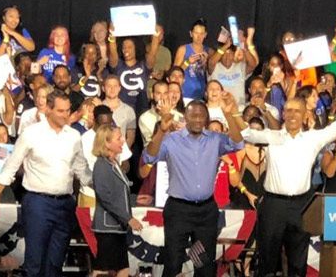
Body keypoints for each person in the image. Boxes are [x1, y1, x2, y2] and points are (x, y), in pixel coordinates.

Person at [236, 82, 336, 277]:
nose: (291, 114)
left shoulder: (312, 139)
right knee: (267, 262)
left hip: (301, 206)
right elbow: (245, 133)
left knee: (298, 263)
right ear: (282, 114)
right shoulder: (271, 137)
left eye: (296, 111)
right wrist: (231, 112)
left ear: (304, 115)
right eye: (288, 110)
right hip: (273, 205)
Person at [0, 91, 92, 277]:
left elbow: (81, 170)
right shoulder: (31, 133)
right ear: (48, 110)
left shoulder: (74, 136)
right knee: (34, 262)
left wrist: (101, 187)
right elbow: (11, 165)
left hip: (65, 204)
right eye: (61, 111)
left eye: (68, 110)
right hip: (37, 203)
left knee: (55, 264)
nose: (66, 115)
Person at [144, 92, 243, 277]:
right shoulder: (171, 140)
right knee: (173, 263)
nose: (197, 119)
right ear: (185, 117)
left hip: (206, 212)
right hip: (178, 211)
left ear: (206, 118)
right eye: (193, 115)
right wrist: (161, 130)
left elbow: (238, 144)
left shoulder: (215, 139)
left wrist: (230, 115)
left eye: (201, 116)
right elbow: (149, 156)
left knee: (203, 265)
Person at [91, 124, 143, 277]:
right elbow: (105, 197)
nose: (123, 141)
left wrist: (136, 198)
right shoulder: (101, 165)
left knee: (123, 269)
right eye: (119, 138)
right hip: (108, 228)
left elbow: (119, 193)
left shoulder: (114, 164)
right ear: (106, 143)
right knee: (102, 270)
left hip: (117, 228)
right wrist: (128, 218)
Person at [79, 105, 132, 207]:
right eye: (103, 124)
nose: (107, 127)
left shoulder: (116, 136)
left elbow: (126, 163)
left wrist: (117, 174)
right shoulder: (83, 139)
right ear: (94, 121)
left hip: (114, 194)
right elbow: (80, 169)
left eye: (110, 123)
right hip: (90, 194)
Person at [107, 26, 161, 114]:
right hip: (121, 108)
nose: (125, 50)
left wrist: (156, 36)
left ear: (136, 48)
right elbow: (112, 53)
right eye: (124, 47)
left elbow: (153, 53)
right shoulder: (118, 65)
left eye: (129, 47)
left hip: (141, 108)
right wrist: (112, 37)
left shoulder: (144, 65)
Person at [208, 27, 258, 107]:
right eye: (225, 54)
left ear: (234, 54)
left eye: (230, 54)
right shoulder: (215, 67)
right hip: (220, 108)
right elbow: (211, 63)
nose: (227, 57)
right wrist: (226, 45)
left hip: (239, 108)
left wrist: (243, 48)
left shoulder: (240, 67)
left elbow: (252, 64)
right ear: (220, 54)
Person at [173, 18, 210, 102]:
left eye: (201, 33)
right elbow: (174, 74)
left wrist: (205, 64)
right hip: (184, 95)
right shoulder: (183, 49)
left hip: (200, 96)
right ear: (191, 33)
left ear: (205, 35)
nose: (199, 36)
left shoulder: (208, 51)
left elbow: (212, 72)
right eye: (196, 33)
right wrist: (187, 62)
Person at [102, 75, 136, 148]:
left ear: (119, 88)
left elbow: (131, 136)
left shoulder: (128, 110)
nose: (112, 89)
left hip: (121, 153)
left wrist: (123, 153)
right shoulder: (98, 108)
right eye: (109, 86)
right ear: (103, 88)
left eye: (115, 86)